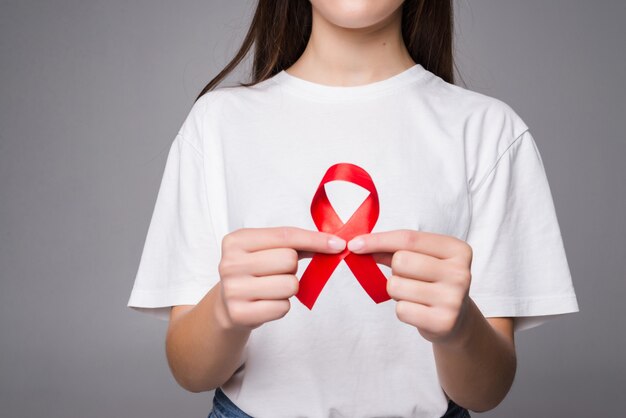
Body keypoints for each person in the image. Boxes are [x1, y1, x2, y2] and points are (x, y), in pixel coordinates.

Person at [126, 1, 580, 417]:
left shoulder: (490, 133)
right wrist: (223, 311)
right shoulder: (216, 125)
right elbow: (190, 372)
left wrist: (461, 329)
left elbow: (486, 391)